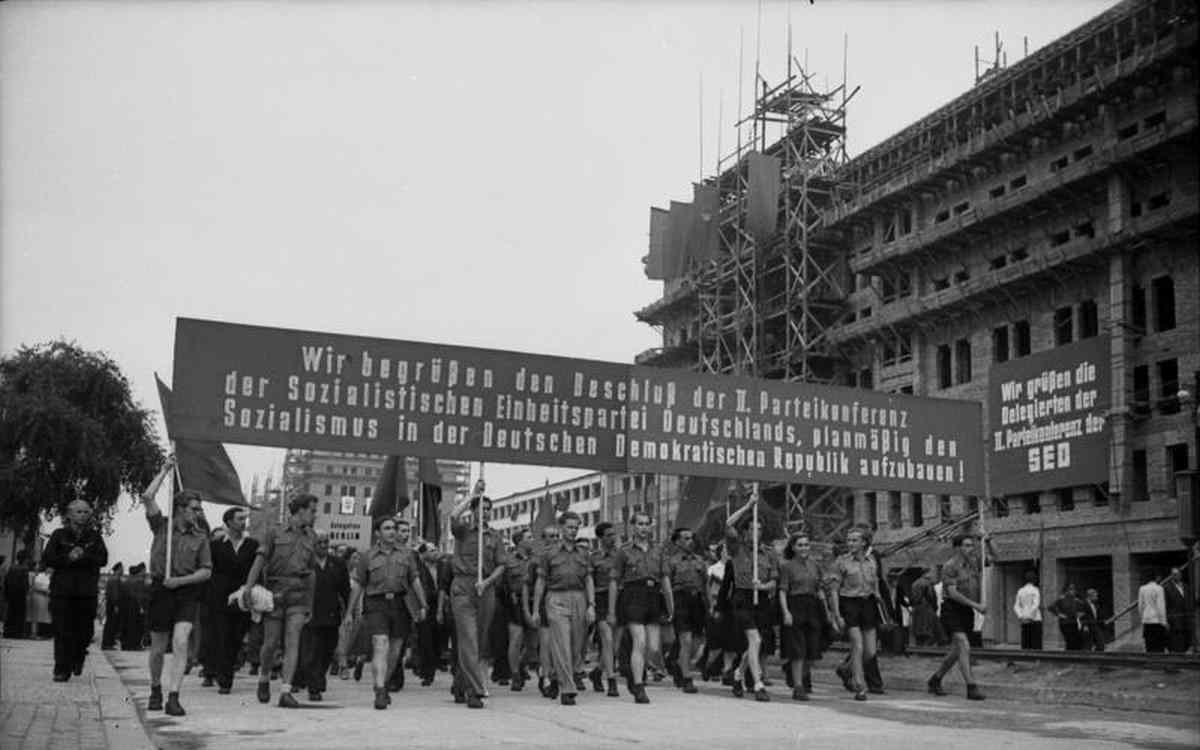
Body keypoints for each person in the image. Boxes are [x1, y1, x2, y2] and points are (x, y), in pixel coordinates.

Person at [141, 458, 213, 717]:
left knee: (181, 641)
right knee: (158, 648)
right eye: (194, 508)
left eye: (199, 508)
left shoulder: (201, 537)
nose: (198, 512)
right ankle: (155, 688)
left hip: (186, 592)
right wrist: (164, 470)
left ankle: (174, 696)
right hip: (161, 589)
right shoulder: (161, 526)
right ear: (181, 508)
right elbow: (147, 496)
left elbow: (206, 571)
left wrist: (181, 581)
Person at [243, 493, 319, 708]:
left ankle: (286, 690)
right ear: (300, 510)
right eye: (312, 511)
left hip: (298, 595)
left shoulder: (311, 537)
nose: (315, 515)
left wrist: (310, 604)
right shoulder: (274, 533)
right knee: (270, 643)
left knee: (293, 641)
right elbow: (260, 560)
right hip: (275, 593)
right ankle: (264, 676)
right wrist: (249, 587)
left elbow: (312, 572)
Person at [349, 517, 426, 710]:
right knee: (380, 644)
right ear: (378, 532)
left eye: (393, 528)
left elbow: (414, 580)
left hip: (400, 604)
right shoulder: (367, 556)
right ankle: (380, 689)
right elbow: (358, 584)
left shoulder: (407, 555)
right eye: (387, 528)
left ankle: (384, 681)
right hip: (376, 603)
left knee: (395, 651)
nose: (392, 532)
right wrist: (350, 612)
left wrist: (423, 604)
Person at [447, 493, 507, 709]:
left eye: (489, 508)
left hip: (486, 590)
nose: (486, 512)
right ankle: (475, 691)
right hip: (464, 587)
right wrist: (474, 493)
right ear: (473, 511)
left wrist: (488, 581)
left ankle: (459, 682)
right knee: (469, 639)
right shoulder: (463, 531)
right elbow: (453, 516)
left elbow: (501, 564)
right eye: (482, 508)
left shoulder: (495, 536)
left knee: (479, 643)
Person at [609, 511, 673, 705]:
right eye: (640, 524)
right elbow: (614, 581)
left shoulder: (659, 550)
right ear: (633, 526)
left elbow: (665, 579)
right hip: (632, 596)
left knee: (654, 648)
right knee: (640, 641)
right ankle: (638, 686)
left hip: (653, 596)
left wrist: (671, 606)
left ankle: (631, 669)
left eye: (647, 524)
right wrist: (612, 611)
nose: (644, 528)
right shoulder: (624, 551)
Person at [43, 498, 109, 681]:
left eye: (86, 511)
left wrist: (84, 556)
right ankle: (61, 669)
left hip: (86, 592)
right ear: (69, 515)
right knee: (62, 630)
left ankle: (78, 658)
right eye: (79, 512)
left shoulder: (94, 537)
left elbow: (102, 559)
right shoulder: (58, 535)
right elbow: (48, 558)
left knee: (85, 631)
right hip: (62, 591)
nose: (83, 515)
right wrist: (68, 558)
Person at [533, 511, 594, 706]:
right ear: (561, 528)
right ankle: (568, 689)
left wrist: (591, 605)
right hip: (556, 598)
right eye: (569, 527)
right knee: (562, 644)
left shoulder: (584, 553)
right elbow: (540, 581)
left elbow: (588, 579)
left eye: (576, 527)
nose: (573, 531)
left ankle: (556, 676)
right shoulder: (549, 553)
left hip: (579, 598)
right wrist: (535, 609)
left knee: (577, 647)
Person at [723, 495, 777, 702]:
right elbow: (729, 524)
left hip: (761, 598)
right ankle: (758, 684)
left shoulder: (769, 554)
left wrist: (762, 586)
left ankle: (738, 674)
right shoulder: (737, 548)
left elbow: (774, 581)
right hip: (742, 597)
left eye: (760, 529)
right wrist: (748, 506)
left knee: (755, 643)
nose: (757, 533)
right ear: (745, 531)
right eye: (753, 529)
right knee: (755, 639)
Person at [926, 533, 986, 701]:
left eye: (971, 545)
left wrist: (989, 542)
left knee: (956, 652)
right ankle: (971, 687)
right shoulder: (950, 566)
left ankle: (935, 679)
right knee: (964, 645)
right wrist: (977, 606)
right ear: (957, 547)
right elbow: (953, 593)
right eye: (966, 545)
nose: (970, 548)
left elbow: (995, 557)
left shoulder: (973, 564)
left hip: (966, 611)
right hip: (951, 609)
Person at [206, 506, 259, 694]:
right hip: (220, 599)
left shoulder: (252, 545)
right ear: (228, 522)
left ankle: (227, 670)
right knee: (222, 637)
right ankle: (224, 680)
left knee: (236, 639)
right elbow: (210, 572)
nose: (243, 522)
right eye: (239, 519)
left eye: (244, 519)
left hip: (242, 599)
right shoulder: (216, 545)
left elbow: (257, 570)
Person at [294, 530, 349, 701]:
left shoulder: (338, 563)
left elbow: (345, 590)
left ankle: (317, 679)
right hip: (309, 615)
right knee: (310, 652)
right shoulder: (303, 563)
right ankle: (314, 687)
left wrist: (349, 612)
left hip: (331, 615)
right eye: (319, 542)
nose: (324, 545)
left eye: (326, 542)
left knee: (326, 651)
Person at [828, 525, 879, 702]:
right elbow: (834, 590)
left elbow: (875, 583)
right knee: (857, 646)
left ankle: (845, 669)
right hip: (849, 604)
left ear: (864, 542)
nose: (850, 543)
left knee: (871, 651)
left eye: (855, 540)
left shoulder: (871, 560)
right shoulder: (841, 562)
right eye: (849, 540)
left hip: (868, 604)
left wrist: (878, 598)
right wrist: (837, 615)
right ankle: (860, 686)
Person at [778, 532, 826, 702]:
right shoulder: (787, 566)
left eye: (806, 544)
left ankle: (792, 672)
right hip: (795, 605)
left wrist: (825, 608)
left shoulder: (815, 565)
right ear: (793, 547)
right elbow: (783, 591)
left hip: (812, 606)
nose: (804, 548)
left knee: (811, 651)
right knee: (798, 650)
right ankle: (798, 686)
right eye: (800, 545)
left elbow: (819, 587)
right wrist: (786, 612)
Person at [667, 527, 708, 695]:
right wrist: (668, 608)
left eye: (691, 538)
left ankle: (675, 661)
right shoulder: (671, 561)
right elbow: (666, 586)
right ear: (677, 542)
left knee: (697, 641)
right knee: (686, 640)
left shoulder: (700, 560)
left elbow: (705, 584)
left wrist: (710, 605)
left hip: (697, 601)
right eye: (685, 538)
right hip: (680, 599)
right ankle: (687, 678)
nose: (689, 541)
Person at [589, 521, 621, 697]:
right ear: (600, 538)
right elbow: (589, 582)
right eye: (609, 535)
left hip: (618, 599)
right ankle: (611, 680)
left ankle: (596, 672)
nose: (613, 538)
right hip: (601, 599)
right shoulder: (593, 558)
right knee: (607, 641)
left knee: (615, 646)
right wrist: (591, 605)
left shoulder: (621, 555)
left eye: (614, 534)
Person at [500, 530, 533, 691]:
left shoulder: (537, 559)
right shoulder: (508, 560)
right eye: (529, 538)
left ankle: (521, 663)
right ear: (519, 542)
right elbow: (501, 583)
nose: (532, 540)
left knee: (533, 643)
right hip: (515, 602)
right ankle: (515, 675)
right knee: (516, 640)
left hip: (534, 601)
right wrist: (509, 596)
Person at [412, 542, 449, 686]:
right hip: (423, 605)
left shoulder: (442, 566)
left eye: (436, 549)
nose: (436, 552)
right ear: (424, 553)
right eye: (432, 550)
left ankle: (439, 661)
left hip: (439, 605)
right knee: (425, 639)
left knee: (439, 637)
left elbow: (444, 585)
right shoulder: (417, 568)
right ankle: (427, 672)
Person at [121, 563, 150, 650]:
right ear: (141, 571)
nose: (145, 572)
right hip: (136, 607)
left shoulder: (127, 581)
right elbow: (140, 595)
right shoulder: (139, 581)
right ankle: (135, 645)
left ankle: (127, 645)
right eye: (144, 570)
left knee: (128, 626)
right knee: (137, 627)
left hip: (128, 607)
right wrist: (142, 606)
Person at [3, 550, 31, 638]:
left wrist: (6, 593)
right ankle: (18, 633)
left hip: (11, 595)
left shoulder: (12, 567)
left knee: (10, 614)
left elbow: (6, 581)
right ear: (25, 559)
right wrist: (26, 591)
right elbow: (25, 584)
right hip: (20, 595)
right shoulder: (24, 569)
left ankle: (8, 632)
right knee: (19, 614)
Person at [1138, 571, 1167, 653]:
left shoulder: (1142, 588)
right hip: (1157, 621)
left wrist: (1142, 618)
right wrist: (1164, 622)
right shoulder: (1159, 589)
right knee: (1158, 645)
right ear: (1156, 578)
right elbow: (1161, 607)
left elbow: (1140, 606)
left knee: (1149, 645)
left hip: (1146, 620)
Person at [1012, 571, 1042, 650]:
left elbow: (1016, 606)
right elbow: (1036, 604)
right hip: (1035, 619)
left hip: (1024, 620)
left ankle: (1026, 660)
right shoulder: (1035, 590)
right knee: (1036, 644)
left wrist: (1021, 616)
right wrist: (1030, 617)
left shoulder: (1020, 591)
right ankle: (1037, 661)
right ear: (1034, 580)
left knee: (1026, 643)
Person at [1164, 567, 1192, 654]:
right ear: (1171, 576)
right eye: (1174, 574)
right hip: (1174, 620)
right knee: (1176, 643)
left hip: (1186, 618)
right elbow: (1165, 605)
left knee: (1186, 641)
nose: (1176, 576)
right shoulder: (1167, 588)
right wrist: (1166, 620)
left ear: (1181, 575)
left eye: (1177, 574)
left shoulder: (1186, 587)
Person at [1048, 583, 1082, 651]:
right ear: (1066, 590)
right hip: (1065, 623)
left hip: (1074, 622)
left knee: (1075, 641)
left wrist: (1080, 614)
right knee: (1069, 640)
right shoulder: (1061, 599)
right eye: (1071, 589)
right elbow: (1051, 607)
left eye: (1074, 589)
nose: (1073, 591)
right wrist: (1059, 614)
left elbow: (1084, 607)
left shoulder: (1076, 600)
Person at [910, 568, 938, 646]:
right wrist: (935, 607)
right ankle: (926, 648)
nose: (932, 575)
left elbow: (911, 597)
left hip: (916, 607)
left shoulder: (914, 583)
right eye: (931, 573)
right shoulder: (927, 583)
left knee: (918, 629)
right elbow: (931, 596)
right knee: (927, 629)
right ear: (926, 573)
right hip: (926, 607)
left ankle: (919, 648)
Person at [101, 563, 124, 650]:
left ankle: (108, 643)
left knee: (110, 624)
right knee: (111, 625)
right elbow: (115, 594)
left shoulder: (112, 579)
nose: (122, 570)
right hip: (113, 605)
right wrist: (116, 605)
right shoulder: (115, 579)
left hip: (111, 604)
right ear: (118, 569)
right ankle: (107, 643)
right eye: (121, 568)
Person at [29, 562, 53, 638]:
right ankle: (36, 633)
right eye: (50, 568)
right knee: (37, 616)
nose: (51, 569)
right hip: (40, 598)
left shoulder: (53, 576)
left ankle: (46, 633)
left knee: (47, 617)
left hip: (47, 599)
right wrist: (45, 590)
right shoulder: (40, 575)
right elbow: (35, 586)